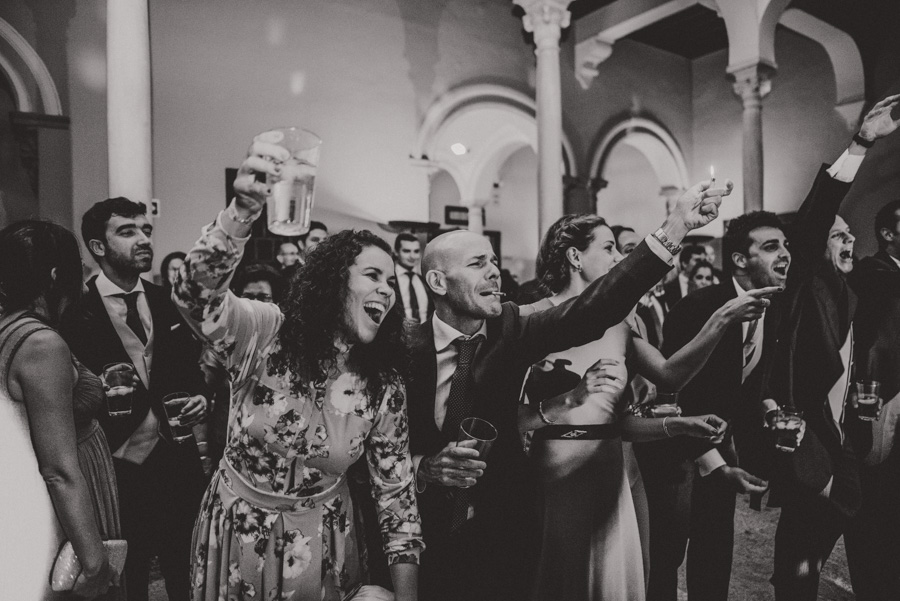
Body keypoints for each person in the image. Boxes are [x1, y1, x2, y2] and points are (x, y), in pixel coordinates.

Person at [407, 176, 728, 601]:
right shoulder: (404, 348)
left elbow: (595, 307)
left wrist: (675, 228)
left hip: (500, 524)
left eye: (492, 261)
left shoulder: (511, 328)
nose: (493, 271)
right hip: (420, 529)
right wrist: (423, 466)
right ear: (437, 282)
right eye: (476, 264)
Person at [174, 140, 423, 601]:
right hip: (239, 534)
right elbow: (196, 299)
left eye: (392, 281)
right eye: (373, 275)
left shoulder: (382, 384)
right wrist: (242, 210)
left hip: (327, 545)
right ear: (333, 280)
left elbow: (397, 500)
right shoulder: (267, 334)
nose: (387, 291)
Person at [519, 214, 771, 601]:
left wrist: (720, 321)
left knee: (616, 583)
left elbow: (670, 376)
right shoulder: (529, 319)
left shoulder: (620, 327)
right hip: (554, 475)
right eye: (609, 248)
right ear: (574, 256)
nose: (620, 257)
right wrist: (567, 399)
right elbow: (505, 417)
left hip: (611, 471)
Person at [767, 95, 900, 601]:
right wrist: (861, 143)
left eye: (850, 236)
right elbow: (814, 223)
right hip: (812, 448)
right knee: (799, 575)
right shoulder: (810, 285)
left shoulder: (852, 289)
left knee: (876, 563)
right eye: (837, 235)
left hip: (853, 444)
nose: (848, 241)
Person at [61, 198, 209, 601]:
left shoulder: (167, 301)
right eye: (127, 231)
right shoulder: (75, 310)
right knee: (130, 577)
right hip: (118, 465)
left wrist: (201, 398)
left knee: (188, 570)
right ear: (97, 247)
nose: (143, 239)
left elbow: (190, 371)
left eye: (146, 230)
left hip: (177, 460)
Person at [641, 210, 790, 601]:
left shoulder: (772, 308)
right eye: (771, 246)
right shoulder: (698, 306)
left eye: (785, 245)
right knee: (665, 558)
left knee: (714, 552)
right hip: (674, 455)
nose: (785, 254)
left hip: (723, 449)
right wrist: (713, 463)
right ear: (740, 260)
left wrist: (768, 407)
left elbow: (750, 381)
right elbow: (672, 394)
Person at [0, 220, 121, 600]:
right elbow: (59, 470)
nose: (85, 284)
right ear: (55, 275)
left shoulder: (9, 327)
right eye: (80, 270)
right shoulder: (40, 343)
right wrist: (92, 560)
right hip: (63, 510)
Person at [847, 197, 900, 601]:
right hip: (880, 406)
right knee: (878, 509)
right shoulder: (873, 274)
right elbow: (870, 346)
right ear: (887, 233)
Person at [393, 232, 432, 323]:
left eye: (416, 251)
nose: (412, 256)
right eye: (406, 251)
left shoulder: (424, 280)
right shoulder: (389, 280)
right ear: (396, 252)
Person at [663, 244, 707, 310]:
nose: (701, 264)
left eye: (703, 261)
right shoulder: (668, 288)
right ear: (685, 264)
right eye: (697, 260)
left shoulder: (708, 282)